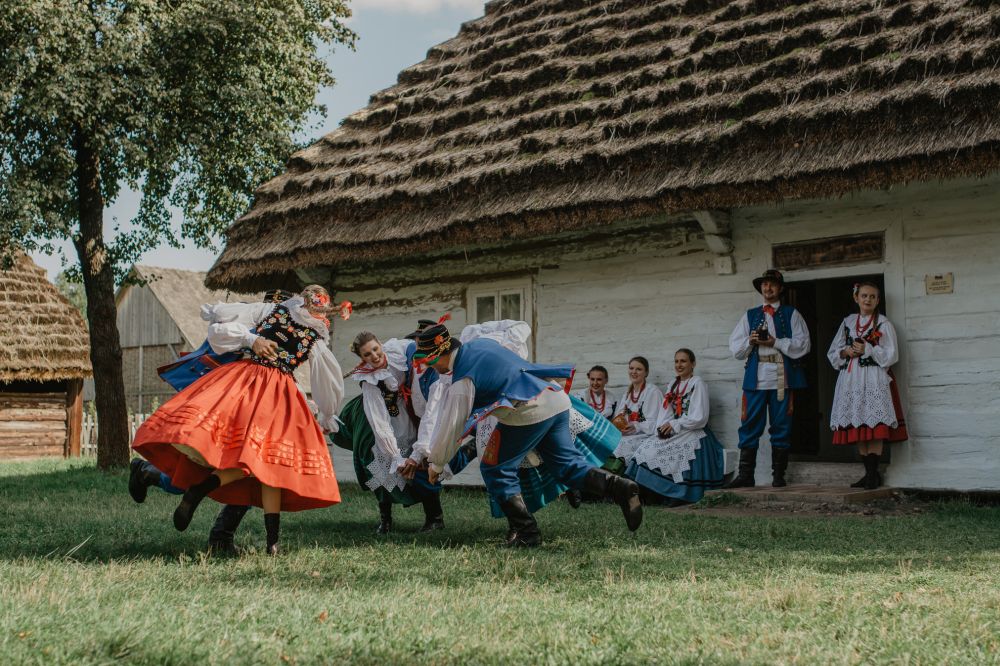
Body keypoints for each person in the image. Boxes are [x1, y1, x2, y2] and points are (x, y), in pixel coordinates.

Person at [132, 285, 345, 555]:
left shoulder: (315, 338)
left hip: (271, 397)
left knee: (260, 463)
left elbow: (324, 382)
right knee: (207, 458)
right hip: (241, 391)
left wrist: (321, 413)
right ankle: (148, 473)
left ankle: (226, 535)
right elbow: (219, 330)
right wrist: (250, 339)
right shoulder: (265, 313)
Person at [420, 322, 643, 547]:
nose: (430, 368)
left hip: (529, 410)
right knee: (566, 465)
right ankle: (620, 487)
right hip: (555, 399)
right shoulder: (482, 344)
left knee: (495, 468)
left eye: (428, 362)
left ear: (437, 355)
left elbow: (452, 427)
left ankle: (527, 533)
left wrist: (437, 465)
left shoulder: (462, 380)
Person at [727, 269, 811, 488]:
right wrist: (751, 341)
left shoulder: (792, 314)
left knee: (781, 425)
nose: (768, 288)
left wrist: (775, 341)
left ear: (780, 288)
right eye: (765, 284)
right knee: (750, 424)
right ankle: (746, 476)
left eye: (772, 284)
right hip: (756, 378)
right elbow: (736, 348)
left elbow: (803, 345)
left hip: (782, 377)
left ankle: (778, 476)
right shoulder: (750, 315)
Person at [827, 282, 908, 489]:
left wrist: (869, 349)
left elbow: (892, 355)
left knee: (874, 423)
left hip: (873, 378)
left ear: (878, 300)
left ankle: (873, 474)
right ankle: (868, 473)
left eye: (872, 296)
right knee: (860, 422)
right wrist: (846, 352)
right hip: (851, 378)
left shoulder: (883, 323)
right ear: (856, 298)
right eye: (864, 296)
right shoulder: (848, 322)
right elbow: (833, 353)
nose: (868, 300)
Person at [621, 349, 725, 504]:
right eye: (676, 361)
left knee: (670, 452)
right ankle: (647, 494)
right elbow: (666, 411)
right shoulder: (673, 384)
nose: (679, 365)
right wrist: (662, 428)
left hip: (693, 430)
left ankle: (673, 493)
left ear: (693, 363)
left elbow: (700, 418)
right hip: (675, 429)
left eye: (683, 361)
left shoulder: (698, 383)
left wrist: (675, 424)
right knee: (647, 448)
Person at [608, 357, 662, 473]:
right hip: (628, 434)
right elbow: (619, 417)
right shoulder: (628, 394)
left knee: (623, 444)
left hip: (645, 435)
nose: (634, 372)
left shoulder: (653, 392)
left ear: (646, 372)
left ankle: (617, 475)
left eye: (639, 369)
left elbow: (655, 422)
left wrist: (637, 426)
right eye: (631, 368)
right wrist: (619, 428)